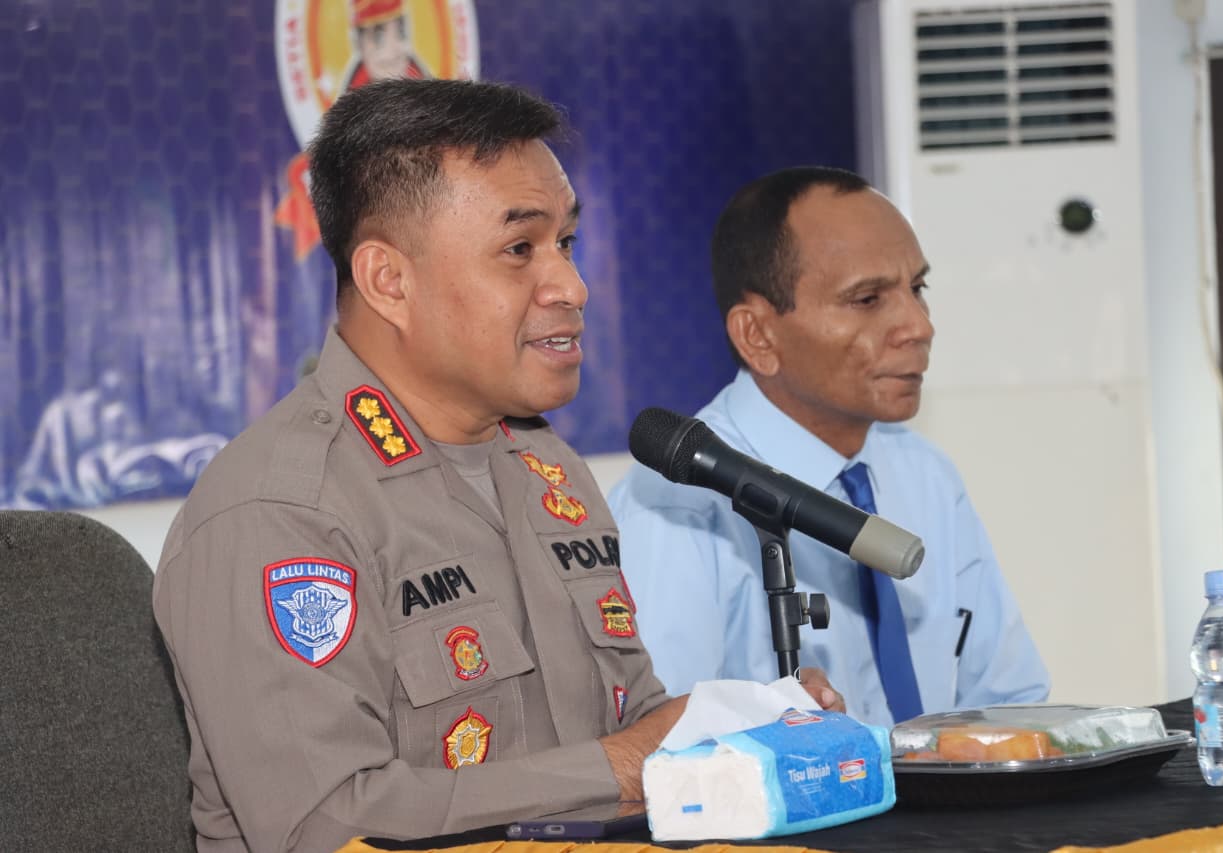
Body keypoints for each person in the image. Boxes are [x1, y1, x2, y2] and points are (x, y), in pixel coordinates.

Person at [153, 81, 842, 853]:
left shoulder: (548, 467)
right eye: (520, 250)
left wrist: (731, 730)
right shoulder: (281, 509)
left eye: (566, 243)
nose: (572, 286)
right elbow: (327, 823)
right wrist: (621, 766)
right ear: (388, 281)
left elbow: (626, 720)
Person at [608, 166, 1050, 729]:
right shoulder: (674, 508)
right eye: (867, 299)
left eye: (918, 289)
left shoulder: (924, 473)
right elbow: (662, 747)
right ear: (758, 335)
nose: (918, 326)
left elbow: (1008, 702)